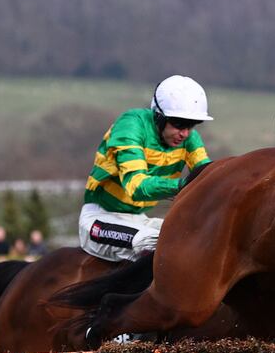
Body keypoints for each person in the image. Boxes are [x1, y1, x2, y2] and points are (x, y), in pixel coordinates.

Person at [78, 75, 213, 262]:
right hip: (100, 219)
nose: (184, 133)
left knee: (201, 239)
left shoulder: (190, 138)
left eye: (191, 125)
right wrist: (184, 184)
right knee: (153, 244)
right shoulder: (130, 125)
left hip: (140, 219)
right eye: (178, 124)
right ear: (159, 116)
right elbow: (136, 187)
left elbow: (208, 176)